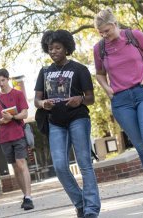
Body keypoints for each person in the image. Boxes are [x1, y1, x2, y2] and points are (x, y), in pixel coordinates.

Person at [93, 8, 143, 212]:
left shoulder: (134, 36)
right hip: (121, 101)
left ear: (115, 24)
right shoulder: (99, 48)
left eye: (107, 31)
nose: (105, 36)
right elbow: (99, 73)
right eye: (101, 33)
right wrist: (108, 89)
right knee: (141, 147)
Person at [34, 30, 101, 218]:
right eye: (50, 48)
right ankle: (80, 203)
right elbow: (36, 100)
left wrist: (80, 99)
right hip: (55, 122)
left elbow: (91, 99)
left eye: (57, 48)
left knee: (84, 164)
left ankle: (91, 209)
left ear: (66, 48)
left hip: (78, 118)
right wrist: (43, 104)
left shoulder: (79, 69)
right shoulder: (45, 72)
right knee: (60, 166)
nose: (53, 51)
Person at [0, 68, 34, 210]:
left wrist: (12, 117)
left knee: (21, 163)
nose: (1, 83)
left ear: (8, 79)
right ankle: (25, 195)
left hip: (19, 134)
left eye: (3, 80)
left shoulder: (18, 94)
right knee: (15, 167)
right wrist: (1, 120)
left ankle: (29, 197)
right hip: (4, 137)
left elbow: (25, 114)